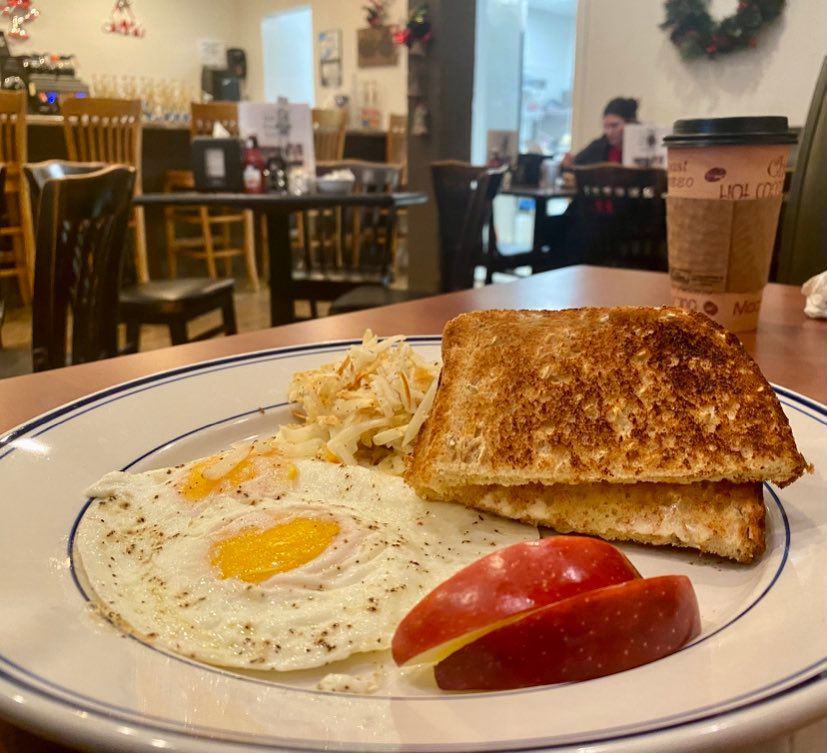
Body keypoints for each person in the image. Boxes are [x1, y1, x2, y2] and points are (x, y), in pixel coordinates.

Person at [562, 97, 639, 167]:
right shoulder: (599, 146)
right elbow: (576, 163)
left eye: (614, 126)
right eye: (606, 127)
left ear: (630, 123)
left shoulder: (643, 148)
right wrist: (568, 164)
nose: (609, 132)